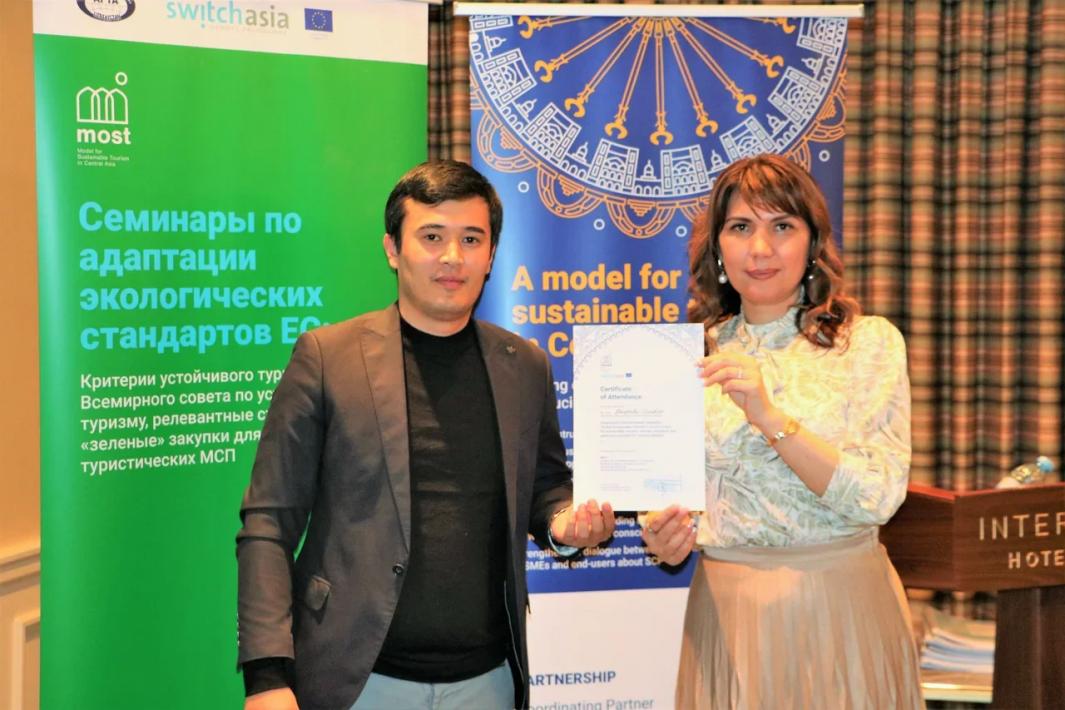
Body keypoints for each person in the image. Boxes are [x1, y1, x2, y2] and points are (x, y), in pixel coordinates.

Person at [236, 160, 615, 710]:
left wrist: (566, 524)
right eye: (432, 237)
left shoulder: (524, 365)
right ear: (393, 249)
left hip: (487, 681)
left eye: (471, 239)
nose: (453, 257)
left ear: (491, 255)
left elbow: (546, 488)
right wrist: (267, 676)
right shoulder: (327, 357)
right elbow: (268, 522)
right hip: (356, 678)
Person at [643, 154, 923, 709]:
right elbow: (672, 499)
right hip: (728, 616)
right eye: (740, 227)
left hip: (842, 610)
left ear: (813, 243)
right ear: (717, 248)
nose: (761, 248)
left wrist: (769, 417)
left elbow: (879, 496)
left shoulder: (866, 344)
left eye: (782, 226)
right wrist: (661, 533)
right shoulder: (686, 355)